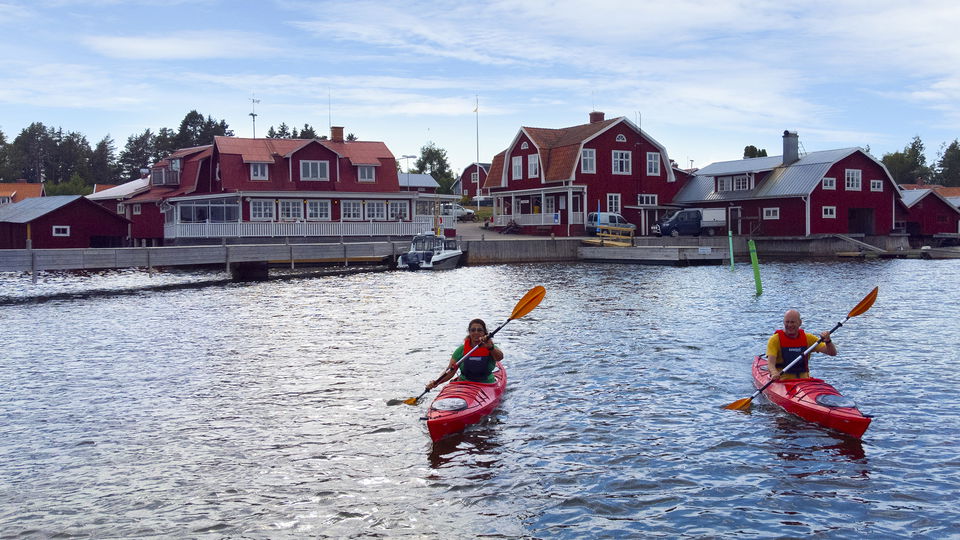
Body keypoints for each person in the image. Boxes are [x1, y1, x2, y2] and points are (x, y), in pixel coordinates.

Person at [425, 318, 504, 390]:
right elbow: (450, 371)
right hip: (464, 384)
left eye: (479, 330)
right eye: (473, 330)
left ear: (484, 333)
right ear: (469, 332)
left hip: (487, 384)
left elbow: (499, 358)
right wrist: (436, 382)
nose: (476, 332)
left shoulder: (490, 346)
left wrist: (491, 347)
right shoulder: (461, 350)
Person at [766, 309, 837, 380]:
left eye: (793, 322)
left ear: (800, 323)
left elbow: (832, 353)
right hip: (783, 380)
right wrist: (774, 372)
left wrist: (828, 341)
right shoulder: (775, 340)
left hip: (804, 380)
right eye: (787, 322)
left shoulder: (808, 338)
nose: (789, 325)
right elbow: (770, 363)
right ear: (784, 322)